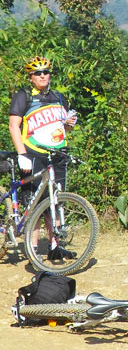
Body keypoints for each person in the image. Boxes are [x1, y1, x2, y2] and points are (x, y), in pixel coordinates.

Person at [8, 56, 79, 260]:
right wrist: (22, 154)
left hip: (57, 153)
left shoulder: (58, 97)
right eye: (37, 73)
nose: (42, 76)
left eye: (45, 72)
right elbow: (14, 126)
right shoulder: (24, 97)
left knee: (56, 201)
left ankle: (54, 247)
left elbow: (63, 127)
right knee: (35, 202)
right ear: (30, 77)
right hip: (33, 153)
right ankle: (34, 249)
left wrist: (68, 125)